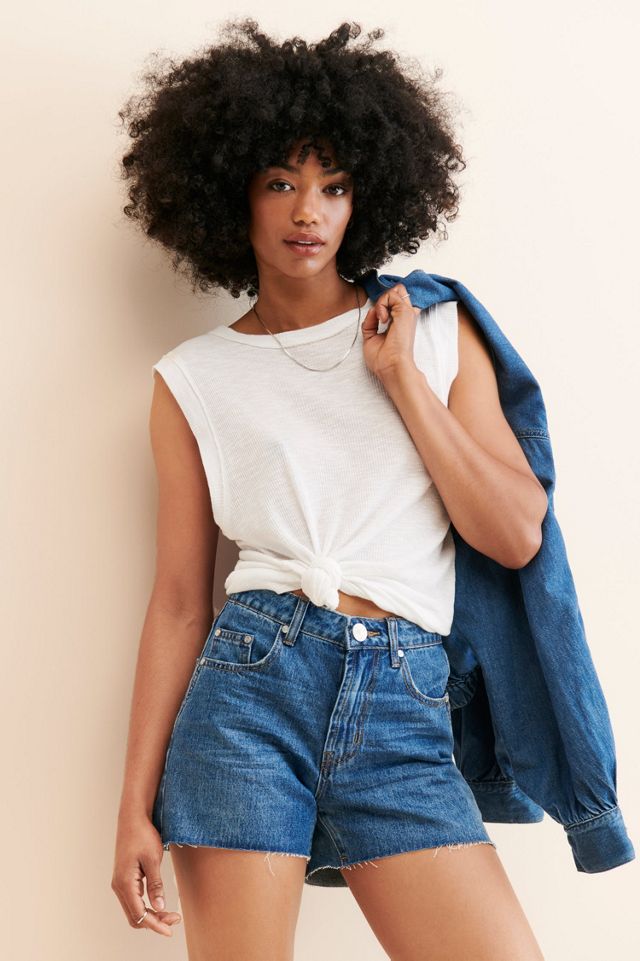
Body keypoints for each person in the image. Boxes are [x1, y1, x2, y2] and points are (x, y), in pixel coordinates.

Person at [112, 18, 548, 960]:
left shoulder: (433, 331)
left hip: (402, 702)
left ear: (366, 199)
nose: (307, 210)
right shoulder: (192, 379)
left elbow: (516, 532)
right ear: (231, 191)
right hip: (248, 696)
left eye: (334, 185)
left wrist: (401, 381)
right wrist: (132, 807)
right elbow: (181, 600)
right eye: (281, 182)